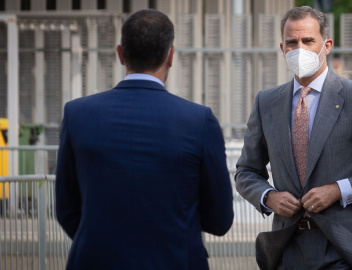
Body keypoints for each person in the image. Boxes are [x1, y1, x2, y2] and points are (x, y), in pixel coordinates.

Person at [235, 6, 352, 270]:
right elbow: (246, 171)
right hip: (287, 248)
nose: (300, 49)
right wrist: (268, 196)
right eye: (292, 42)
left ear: (326, 45)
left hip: (345, 247)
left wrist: (339, 190)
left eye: (308, 40)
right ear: (282, 48)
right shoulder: (267, 102)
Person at [55, 9, 234, 270]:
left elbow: (66, 209)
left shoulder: (77, 114)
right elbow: (220, 220)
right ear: (170, 56)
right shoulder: (198, 121)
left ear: (120, 54)